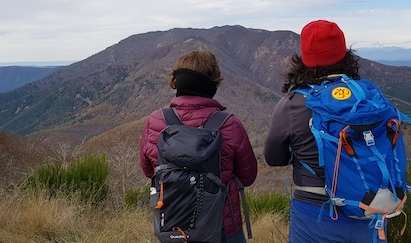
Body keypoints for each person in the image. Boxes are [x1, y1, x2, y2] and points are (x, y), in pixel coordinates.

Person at [263, 20, 381, 242]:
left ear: (304, 59)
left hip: (314, 213)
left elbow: (273, 158)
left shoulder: (293, 104)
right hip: (369, 209)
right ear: (345, 54)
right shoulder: (368, 98)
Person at [140, 49, 258, 243]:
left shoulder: (155, 121)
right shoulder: (229, 125)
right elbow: (248, 176)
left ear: (176, 82)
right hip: (222, 228)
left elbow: (148, 171)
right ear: (213, 84)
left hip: (173, 227)